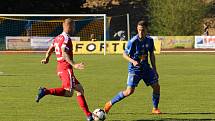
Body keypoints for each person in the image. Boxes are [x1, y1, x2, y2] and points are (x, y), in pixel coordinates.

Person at [36, 18, 94, 121]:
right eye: (74, 26)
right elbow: (64, 52)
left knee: (80, 89)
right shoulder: (66, 38)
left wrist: (46, 59)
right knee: (69, 92)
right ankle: (45, 91)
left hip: (60, 67)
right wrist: (74, 64)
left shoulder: (57, 38)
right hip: (66, 67)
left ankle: (89, 115)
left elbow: (50, 49)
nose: (74, 28)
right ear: (69, 26)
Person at [104, 20, 161, 114]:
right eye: (139, 30)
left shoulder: (150, 40)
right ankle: (109, 104)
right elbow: (124, 55)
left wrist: (154, 69)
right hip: (135, 69)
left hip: (146, 68)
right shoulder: (133, 41)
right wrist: (133, 61)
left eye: (142, 30)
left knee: (156, 87)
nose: (140, 32)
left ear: (146, 30)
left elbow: (151, 54)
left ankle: (155, 109)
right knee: (129, 91)